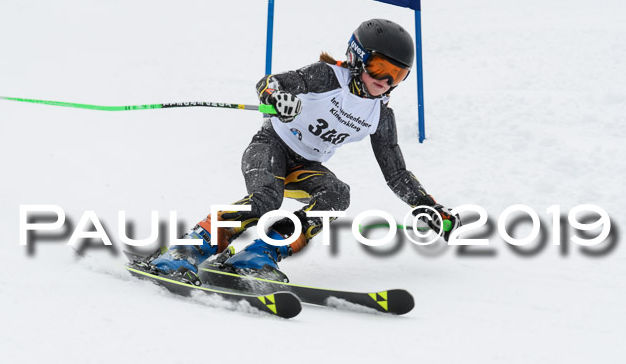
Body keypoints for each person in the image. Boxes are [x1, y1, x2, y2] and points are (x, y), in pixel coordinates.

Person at [150, 18, 461, 278]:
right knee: (265, 200)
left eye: (397, 75)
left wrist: (427, 206)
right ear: (357, 57)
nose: (385, 81)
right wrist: (275, 98)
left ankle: (259, 256)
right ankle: (187, 249)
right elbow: (272, 82)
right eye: (379, 67)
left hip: (304, 166)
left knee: (337, 195)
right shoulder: (328, 77)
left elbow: (396, 173)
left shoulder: (380, 115)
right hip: (270, 147)